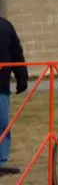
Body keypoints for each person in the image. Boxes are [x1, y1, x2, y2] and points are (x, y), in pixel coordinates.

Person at [0, 14, 27, 176]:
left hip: (1, 86)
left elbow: (16, 51)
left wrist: (21, 76)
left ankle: (1, 161)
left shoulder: (5, 26)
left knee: (2, 123)